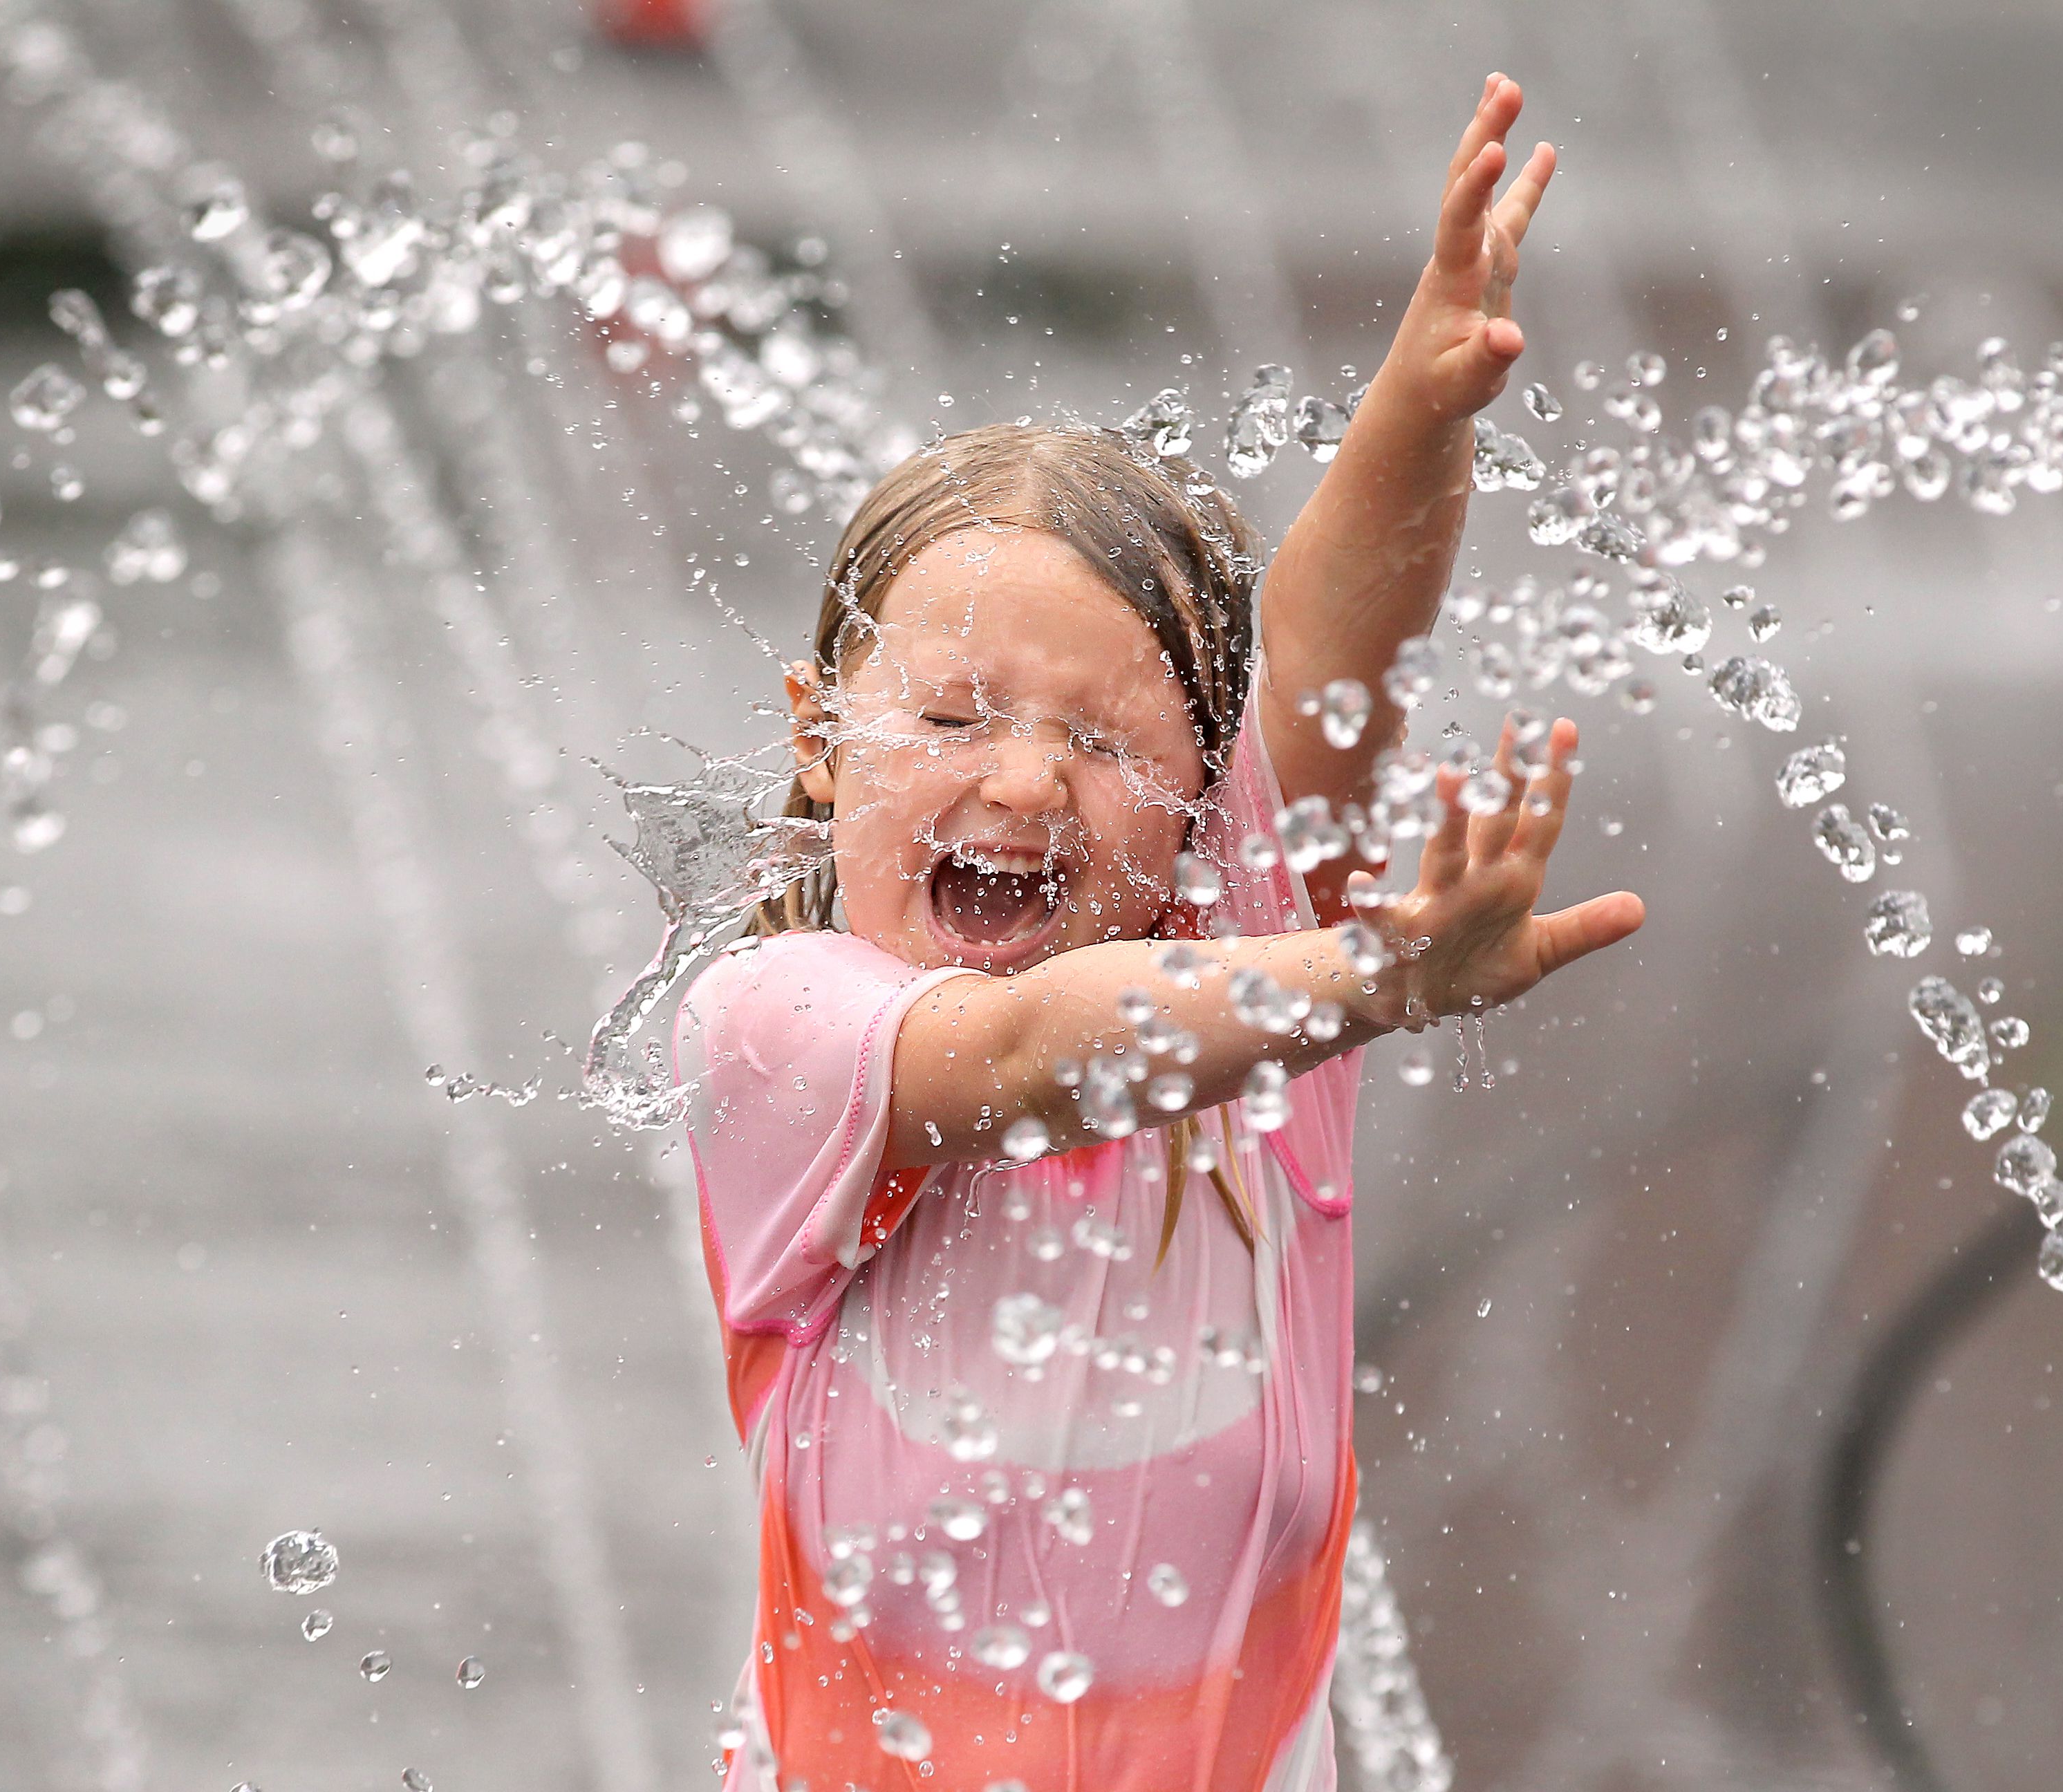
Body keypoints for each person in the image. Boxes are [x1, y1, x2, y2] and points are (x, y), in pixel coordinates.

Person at [672, 75, 1645, 1792]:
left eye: (1111, 743)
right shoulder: (781, 1029)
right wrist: (1381, 980)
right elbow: (1029, 1055)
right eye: (956, 716)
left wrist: (1419, 408)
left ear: (1210, 805)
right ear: (822, 739)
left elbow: (1334, 649)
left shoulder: (1253, 1012)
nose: (1030, 779)